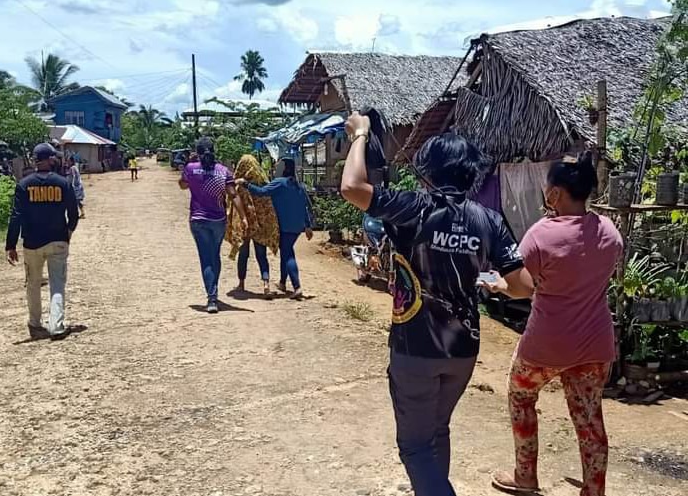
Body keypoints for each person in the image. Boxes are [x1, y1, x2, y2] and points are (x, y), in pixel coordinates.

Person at [340, 113, 527, 496]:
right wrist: (492, 283)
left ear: (429, 168)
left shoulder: (414, 207)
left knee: (414, 445)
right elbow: (523, 286)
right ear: (470, 173)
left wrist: (360, 134)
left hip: (416, 348)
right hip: (462, 350)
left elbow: (351, 187)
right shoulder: (487, 220)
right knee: (436, 431)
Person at [484, 153, 623, 496]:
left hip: (546, 345)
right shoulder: (609, 231)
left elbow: (521, 287)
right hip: (595, 344)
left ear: (555, 194)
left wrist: (498, 284)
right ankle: (594, 490)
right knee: (590, 419)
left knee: (521, 396)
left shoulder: (540, 235)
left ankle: (525, 477)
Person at [5, 143, 80, 340]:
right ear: (50, 159)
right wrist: (68, 233)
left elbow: (16, 216)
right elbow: (73, 213)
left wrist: (10, 245)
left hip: (32, 243)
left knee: (33, 284)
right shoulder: (63, 183)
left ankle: (35, 325)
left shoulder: (24, 185)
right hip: (57, 241)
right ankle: (57, 326)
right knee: (57, 284)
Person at [180, 137, 247, 314]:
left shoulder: (191, 169)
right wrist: (243, 217)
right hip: (218, 221)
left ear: (198, 152)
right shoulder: (224, 171)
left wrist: (189, 164)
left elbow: (182, 185)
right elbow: (233, 194)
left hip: (198, 220)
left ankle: (212, 298)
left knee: (205, 258)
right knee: (214, 255)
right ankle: (214, 292)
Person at [238, 158, 314, 300]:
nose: (276, 168)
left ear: (284, 169)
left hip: (283, 225)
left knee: (288, 254)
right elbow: (304, 207)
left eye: (278, 166)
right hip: (297, 227)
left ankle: (297, 287)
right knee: (286, 252)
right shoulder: (299, 186)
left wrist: (246, 184)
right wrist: (308, 226)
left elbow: (261, 192)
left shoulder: (279, 183)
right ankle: (282, 283)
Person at [226, 155, 279, 298]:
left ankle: (241, 283)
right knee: (261, 255)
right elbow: (268, 207)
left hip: (244, 226)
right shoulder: (263, 183)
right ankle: (266, 285)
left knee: (243, 254)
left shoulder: (238, 186)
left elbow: (232, 204)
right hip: (260, 226)